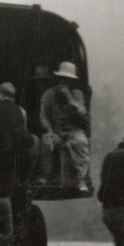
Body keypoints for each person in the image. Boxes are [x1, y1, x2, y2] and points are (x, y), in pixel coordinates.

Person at [0, 82, 38, 240]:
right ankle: (26, 180)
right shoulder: (21, 111)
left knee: (3, 193)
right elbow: (24, 132)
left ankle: (8, 230)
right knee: (19, 188)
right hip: (19, 158)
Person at [39, 61, 90, 191]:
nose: (64, 82)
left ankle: (81, 179)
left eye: (68, 79)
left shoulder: (77, 94)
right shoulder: (49, 94)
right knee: (47, 142)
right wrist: (50, 132)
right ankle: (47, 176)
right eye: (62, 79)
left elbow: (82, 115)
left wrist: (70, 100)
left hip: (73, 130)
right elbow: (43, 116)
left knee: (81, 141)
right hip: (55, 130)